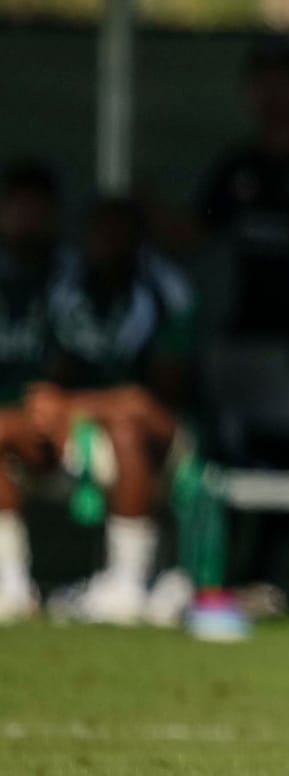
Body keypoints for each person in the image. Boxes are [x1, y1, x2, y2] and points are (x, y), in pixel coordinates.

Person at [33, 196, 197, 624]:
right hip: (79, 429)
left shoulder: (166, 290)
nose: (104, 242)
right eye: (97, 231)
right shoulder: (67, 286)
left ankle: (127, 581)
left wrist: (71, 405)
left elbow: (152, 401)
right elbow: (51, 379)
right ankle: (10, 582)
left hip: (167, 437)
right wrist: (63, 407)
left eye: (116, 232)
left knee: (126, 427)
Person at [182, 38, 289, 440]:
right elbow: (195, 232)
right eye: (260, 84)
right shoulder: (238, 169)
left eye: (280, 83)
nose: (271, 96)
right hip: (245, 337)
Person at [0, 161, 68, 622]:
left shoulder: (73, 280)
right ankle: (11, 584)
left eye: (36, 207)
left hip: (68, 429)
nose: (26, 216)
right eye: (16, 205)